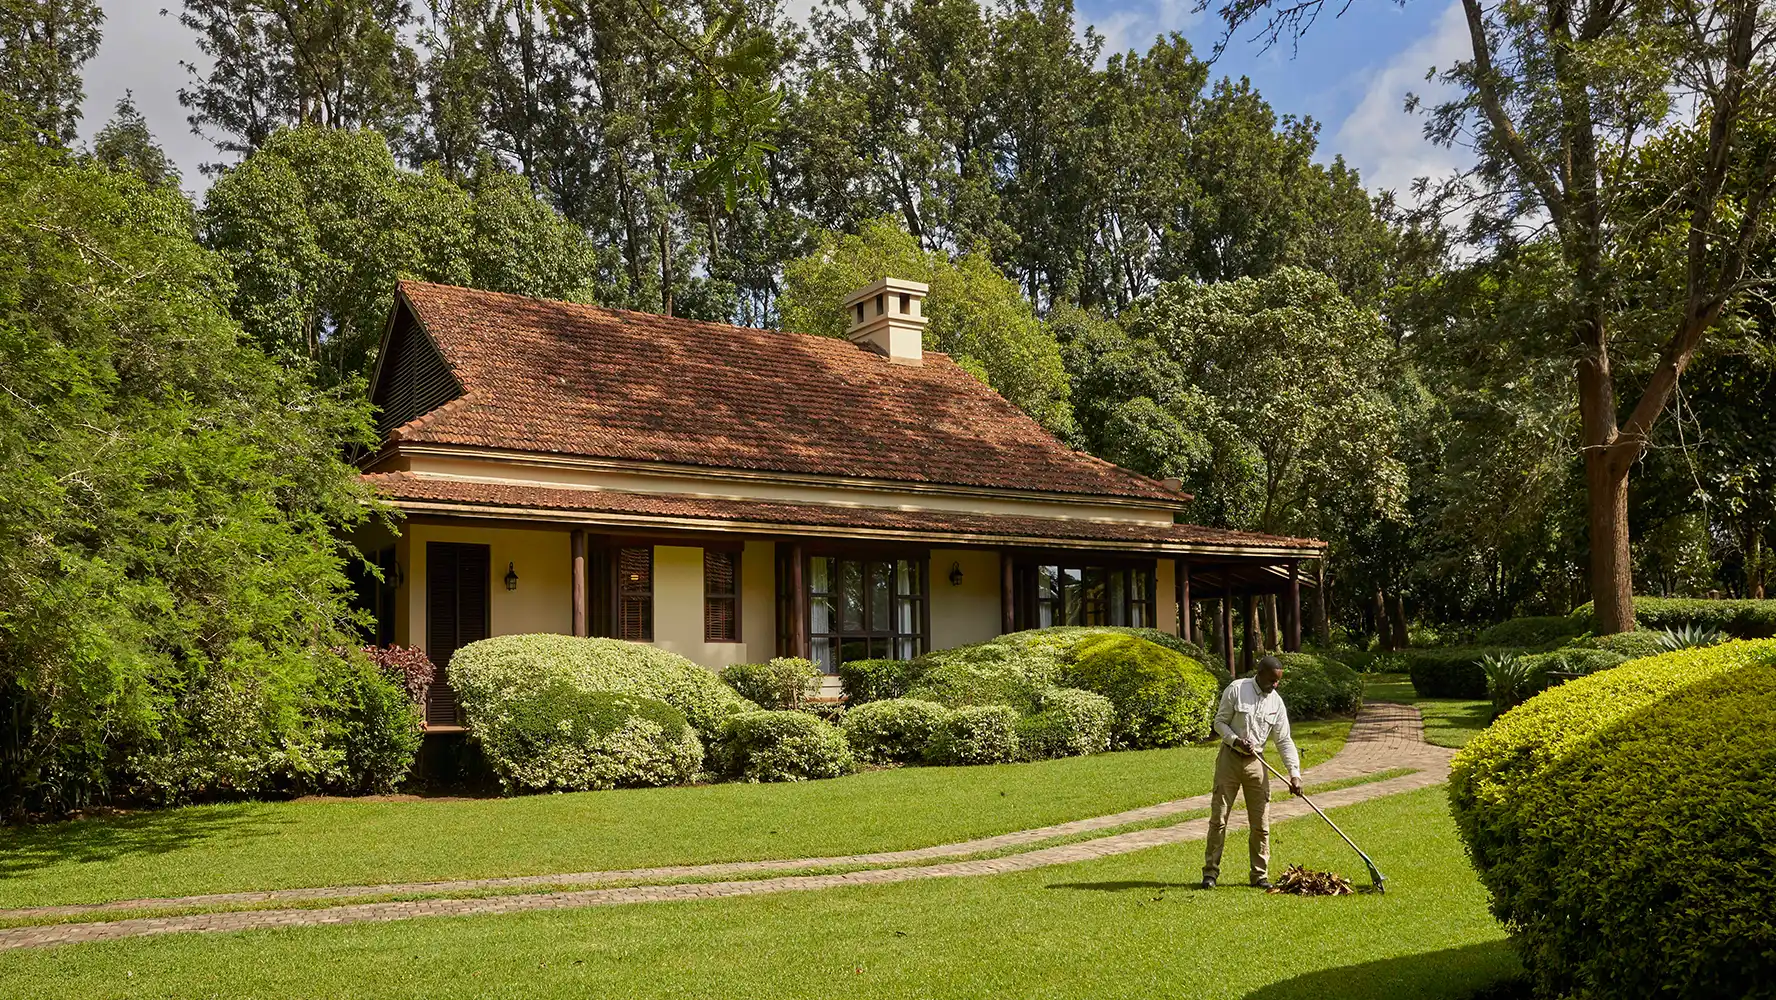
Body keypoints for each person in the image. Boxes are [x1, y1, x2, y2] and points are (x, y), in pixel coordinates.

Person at [1202, 655, 1301, 889]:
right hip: (1230, 759)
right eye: (1272, 680)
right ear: (1260, 673)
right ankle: (1210, 874)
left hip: (1257, 763)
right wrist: (1235, 740)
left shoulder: (1276, 703)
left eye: (1278, 681)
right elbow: (1219, 722)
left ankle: (1259, 875)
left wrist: (1294, 774)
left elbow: (1284, 740)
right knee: (1219, 819)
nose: (1275, 685)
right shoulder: (1237, 689)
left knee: (1261, 823)